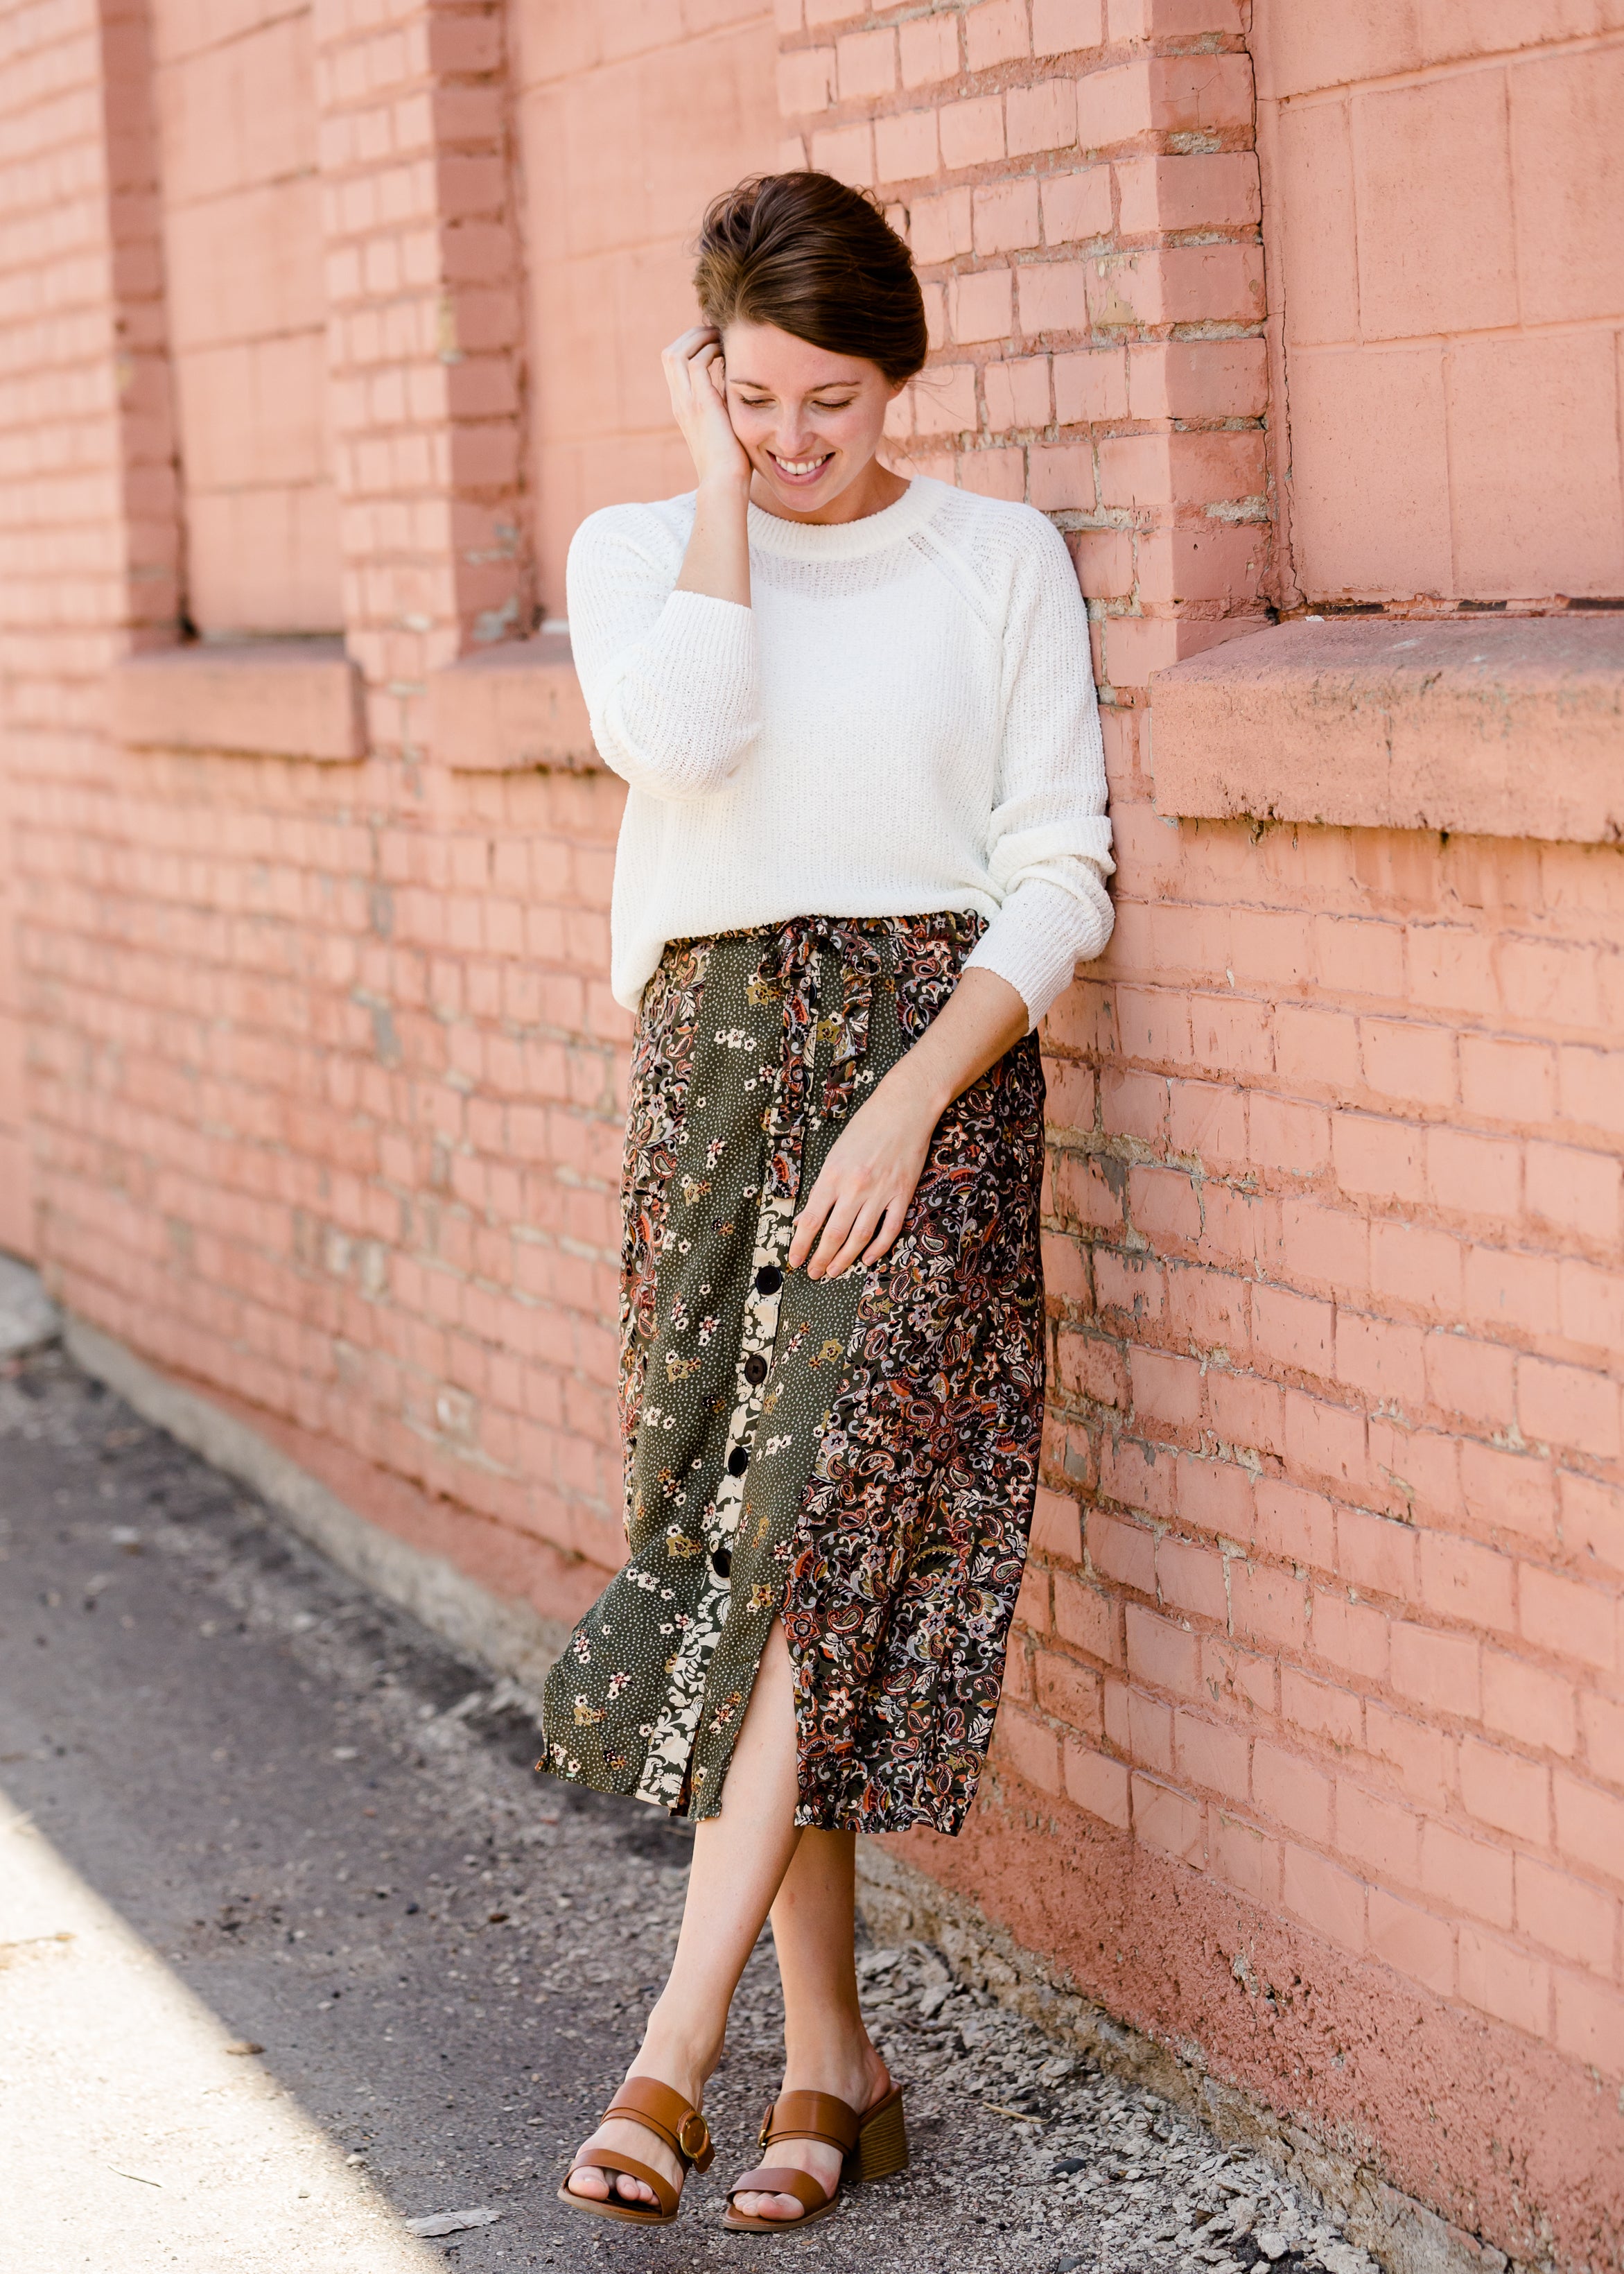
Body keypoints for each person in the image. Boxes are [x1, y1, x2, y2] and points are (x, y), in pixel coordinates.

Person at [541, 170, 1114, 2233]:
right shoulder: (644, 551)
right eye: (759, 399)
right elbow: (681, 745)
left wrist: (906, 1105)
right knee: (747, 1555)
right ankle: (838, 2067)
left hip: (929, 1087)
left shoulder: (996, 560)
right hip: (707, 1087)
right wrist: (710, 492)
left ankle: (672, 2055)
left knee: (815, 1550)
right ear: (710, 376)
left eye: (836, 403)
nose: (798, 442)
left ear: (903, 378)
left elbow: (1062, 869)